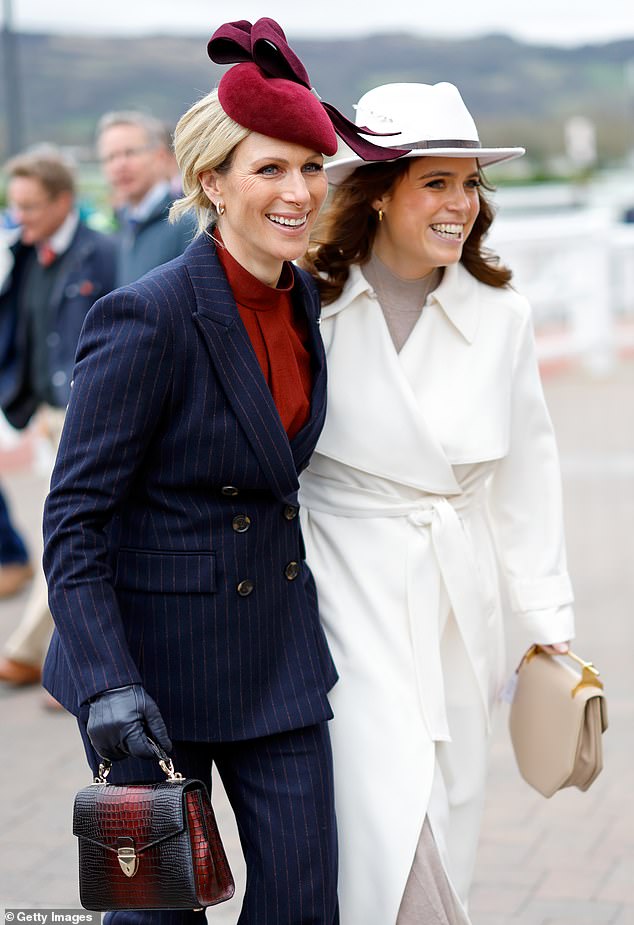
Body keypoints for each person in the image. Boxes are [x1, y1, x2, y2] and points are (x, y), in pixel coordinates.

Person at [41, 18, 401, 925]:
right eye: (269, 168)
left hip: (278, 660)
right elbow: (74, 517)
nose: (300, 191)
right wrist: (105, 680)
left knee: (304, 902)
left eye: (311, 167)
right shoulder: (146, 316)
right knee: (156, 916)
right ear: (212, 181)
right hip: (150, 675)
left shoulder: (301, 295)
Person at [299, 81, 575, 924]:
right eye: (436, 182)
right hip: (339, 588)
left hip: (459, 600)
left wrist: (546, 623)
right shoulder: (308, 302)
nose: (461, 203)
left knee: (447, 804)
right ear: (380, 193)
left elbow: (527, 475)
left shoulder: (502, 315)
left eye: (469, 184)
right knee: (382, 804)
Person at [0, 149, 116, 687]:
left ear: (64, 201)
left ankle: (32, 653)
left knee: (69, 530)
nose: (19, 216)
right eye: (15, 205)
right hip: (46, 413)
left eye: (30, 206)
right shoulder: (23, 253)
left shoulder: (103, 254)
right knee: (73, 530)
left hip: (84, 412)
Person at [96, 110, 195, 285]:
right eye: (110, 157)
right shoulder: (123, 224)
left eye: (130, 153)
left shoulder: (185, 222)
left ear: (160, 156)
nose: (120, 165)